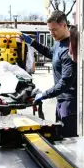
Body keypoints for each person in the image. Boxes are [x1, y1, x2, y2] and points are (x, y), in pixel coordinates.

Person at [22, 10, 78, 138]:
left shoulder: (68, 50)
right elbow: (50, 53)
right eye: (49, 30)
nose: (52, 33)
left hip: (69, 104)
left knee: (68, 141)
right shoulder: (59, 43)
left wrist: (44, 95)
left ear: (64, 25)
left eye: (54, 30)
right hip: (61, 101)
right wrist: (32, 42)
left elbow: (65, 83)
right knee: (60, 137)